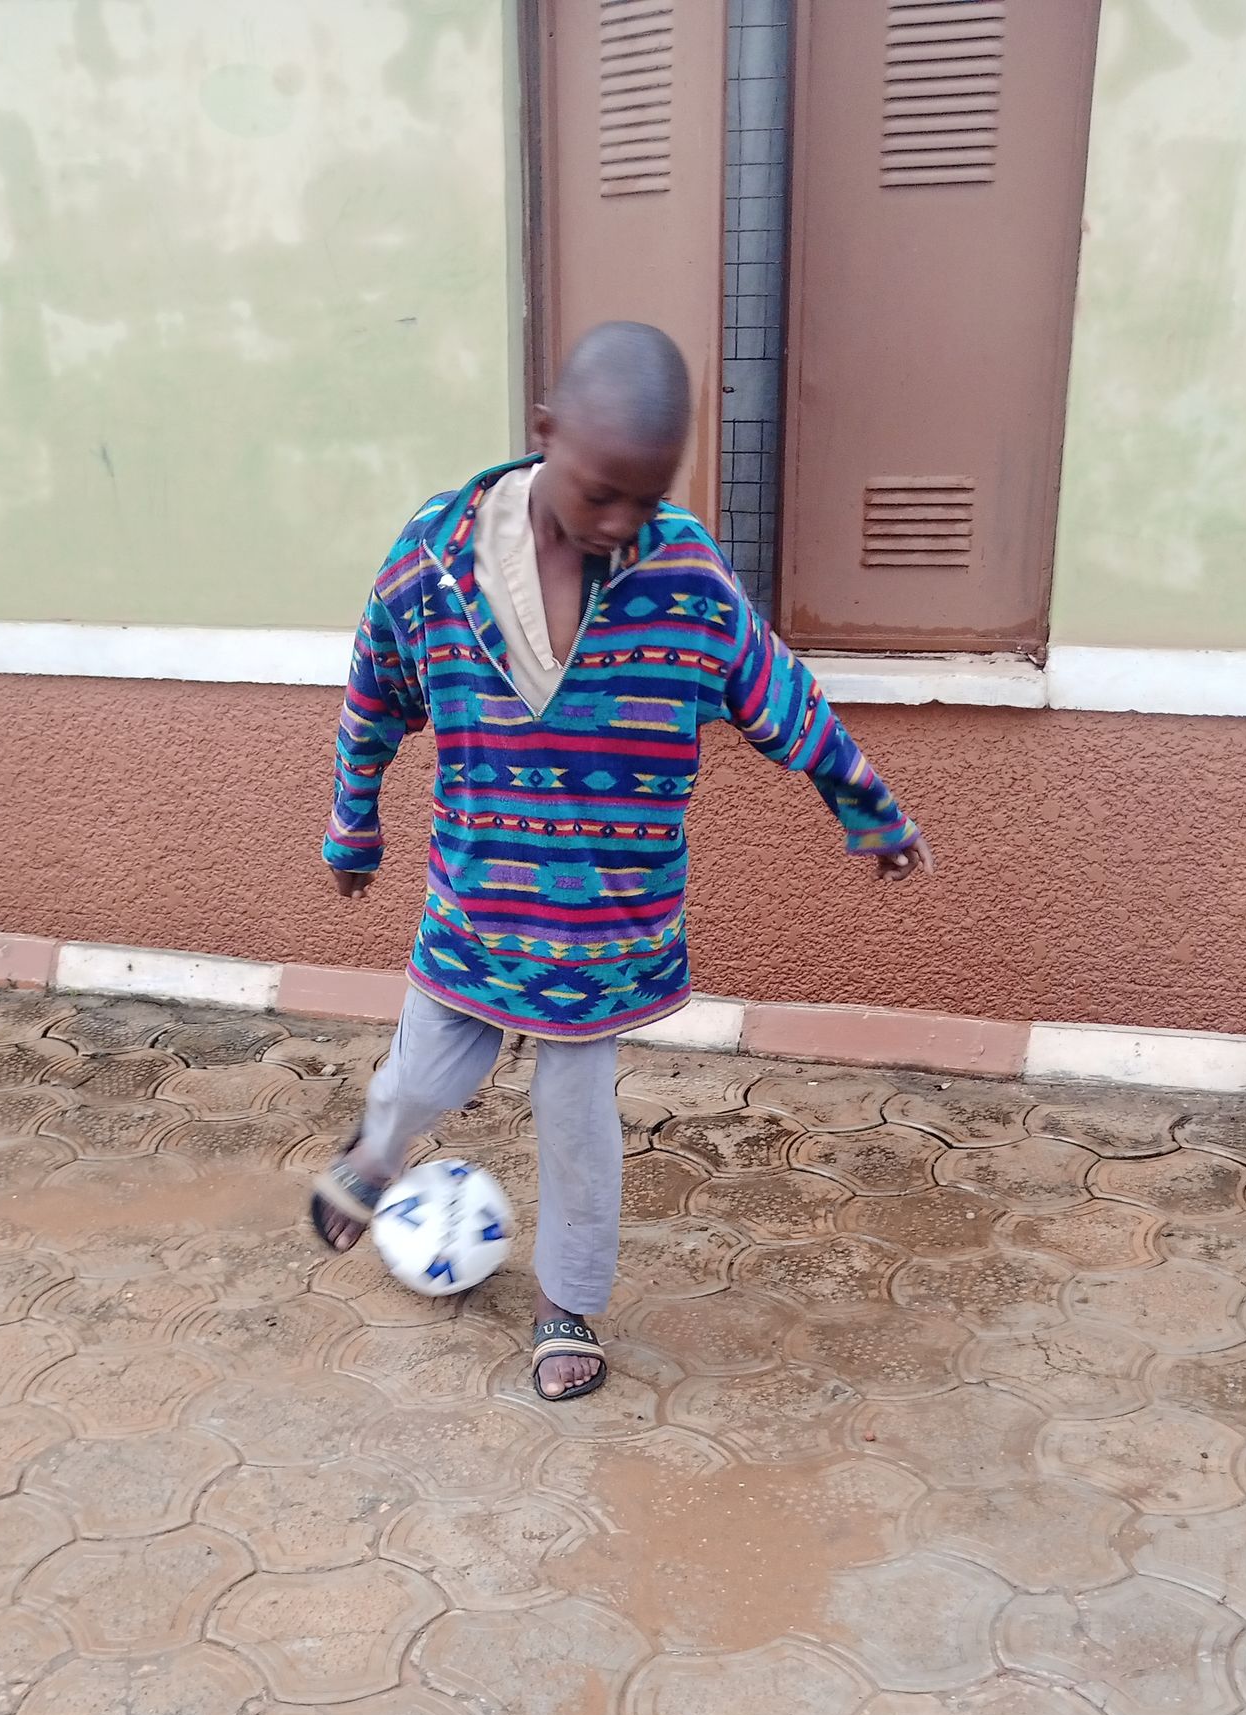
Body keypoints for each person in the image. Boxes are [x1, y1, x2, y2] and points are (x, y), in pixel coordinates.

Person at [310, 320, 930, 1401]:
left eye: (646, 500)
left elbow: (778, 691)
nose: (620, 524)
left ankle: (569, 1303)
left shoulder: (681, 575)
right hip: (476, 902)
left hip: (604, 926)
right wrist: (351, 827)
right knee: (426, 1074)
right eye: (602, 493)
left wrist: (865, 804)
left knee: (578, 1127)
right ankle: (376, 1152)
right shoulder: (433, 562)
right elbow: (374, 698)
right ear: (544, 430)